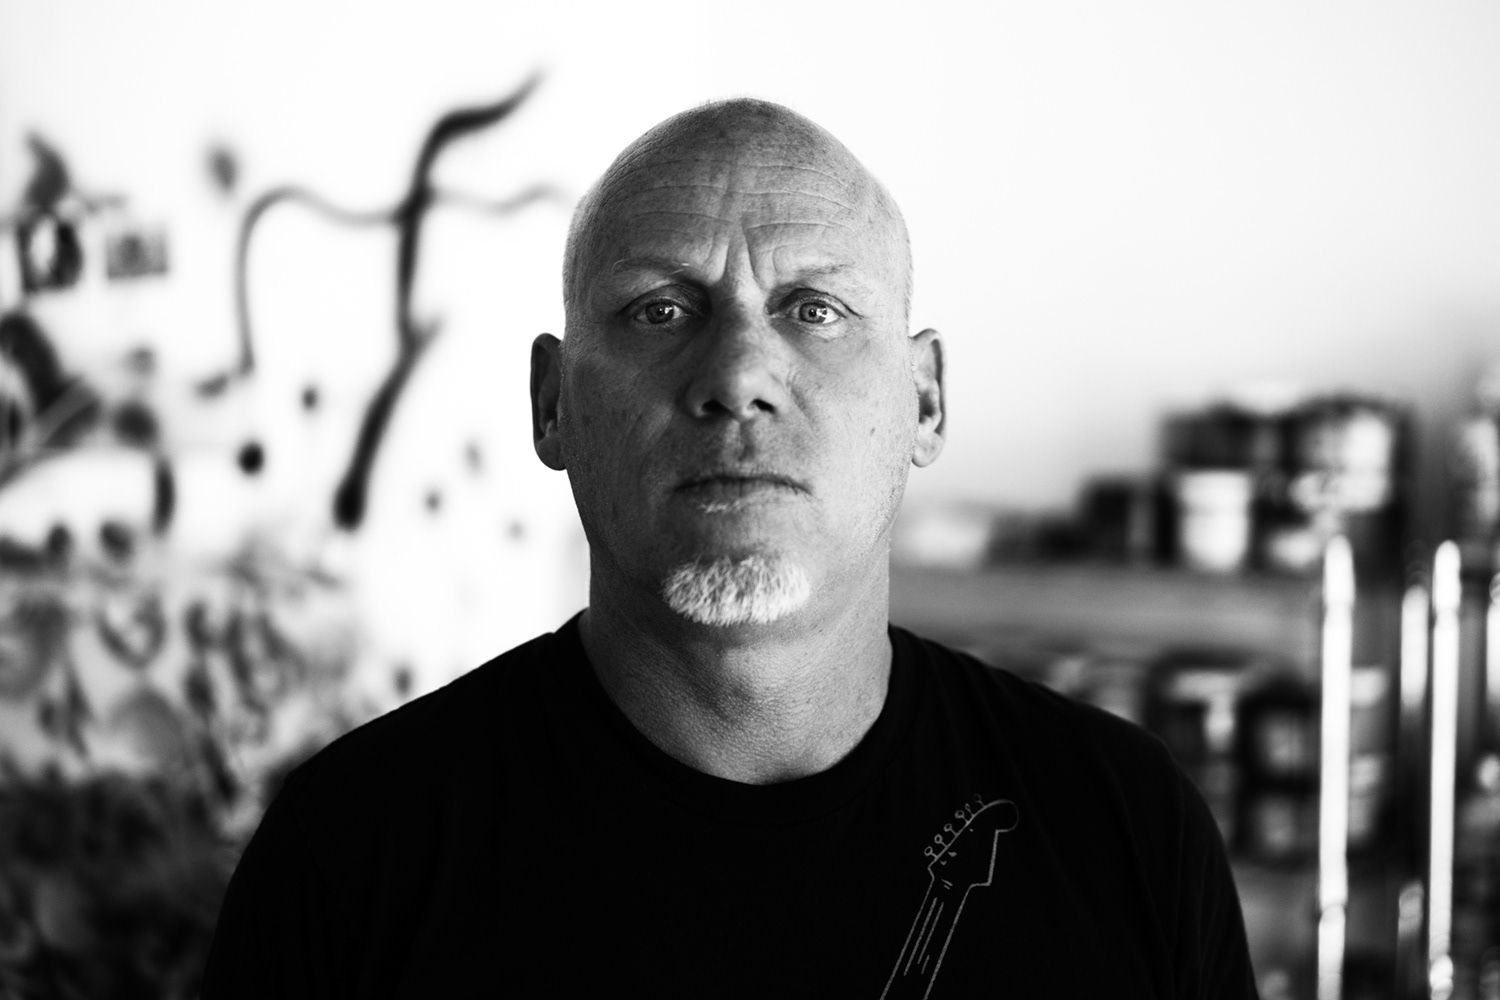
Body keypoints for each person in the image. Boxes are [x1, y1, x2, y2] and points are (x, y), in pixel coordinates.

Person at [203, 99, 1259, 998]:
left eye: (815, 309)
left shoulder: (1127, 828)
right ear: (552, 403)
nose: (739, 375)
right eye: (661, 309)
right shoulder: (352, 855)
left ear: (925, 399)